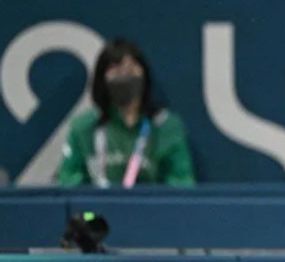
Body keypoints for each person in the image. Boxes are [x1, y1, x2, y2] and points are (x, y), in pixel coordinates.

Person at [58, 40, 195, 188]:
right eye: (116, 69)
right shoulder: (84, 126)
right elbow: (68, 185)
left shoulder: (166, 126)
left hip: (148, 210)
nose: (124, 75)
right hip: (96, 210)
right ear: (102, 78)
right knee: (83, 213)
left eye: (131, 69)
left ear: (144, 75)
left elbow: (181, 185)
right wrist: (93, 210)